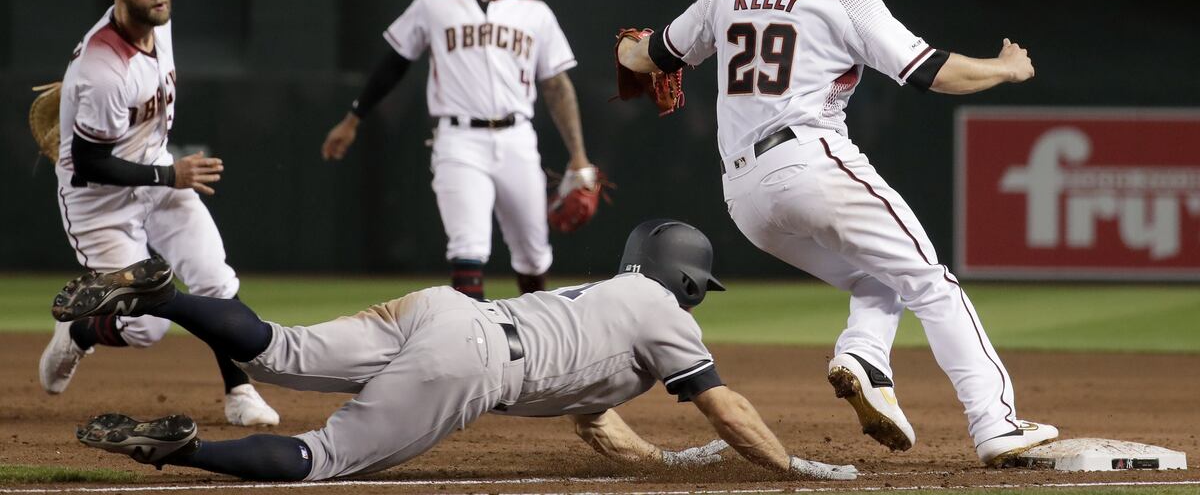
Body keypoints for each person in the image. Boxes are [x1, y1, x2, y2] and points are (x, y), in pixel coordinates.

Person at [615, 0, 1057, 466]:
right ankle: (995, 424)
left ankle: (864, 358)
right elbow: (931, 72)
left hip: (744, 197)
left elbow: (647, 56)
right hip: (810, 160)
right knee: (932, 283)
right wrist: (1004, 69)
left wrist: (626, 46)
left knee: (879, 279)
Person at [58, 219, 858, 483]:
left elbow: (601, 429)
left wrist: (668, 461)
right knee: (325, 457)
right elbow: (729, 405)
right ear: (690, 278)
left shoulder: (611, 302)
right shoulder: (666, 318)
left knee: (273, 349)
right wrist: (788, 469)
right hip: (469, 367)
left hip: (444, 310)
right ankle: (186, 451)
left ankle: (162, 296)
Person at [39, 0, 278, 427]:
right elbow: (88, 163)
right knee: (146, 327)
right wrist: (172, 173)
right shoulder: (103, 70)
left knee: (214, 277)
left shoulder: (158, 27)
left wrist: (165, 174)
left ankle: (239, 391)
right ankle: (81, 333)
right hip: (99, 204)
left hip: (157, 175)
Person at [321, 0, 595, 300]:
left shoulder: (536, 13)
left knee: (533, 255)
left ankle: (538, 340)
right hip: (458, 139)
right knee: (467, 246)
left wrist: (579, 156)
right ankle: (473, 346)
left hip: (517, 138)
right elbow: (395, 63)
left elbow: (556, 86)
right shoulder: (435, 3)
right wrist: (354, 118)